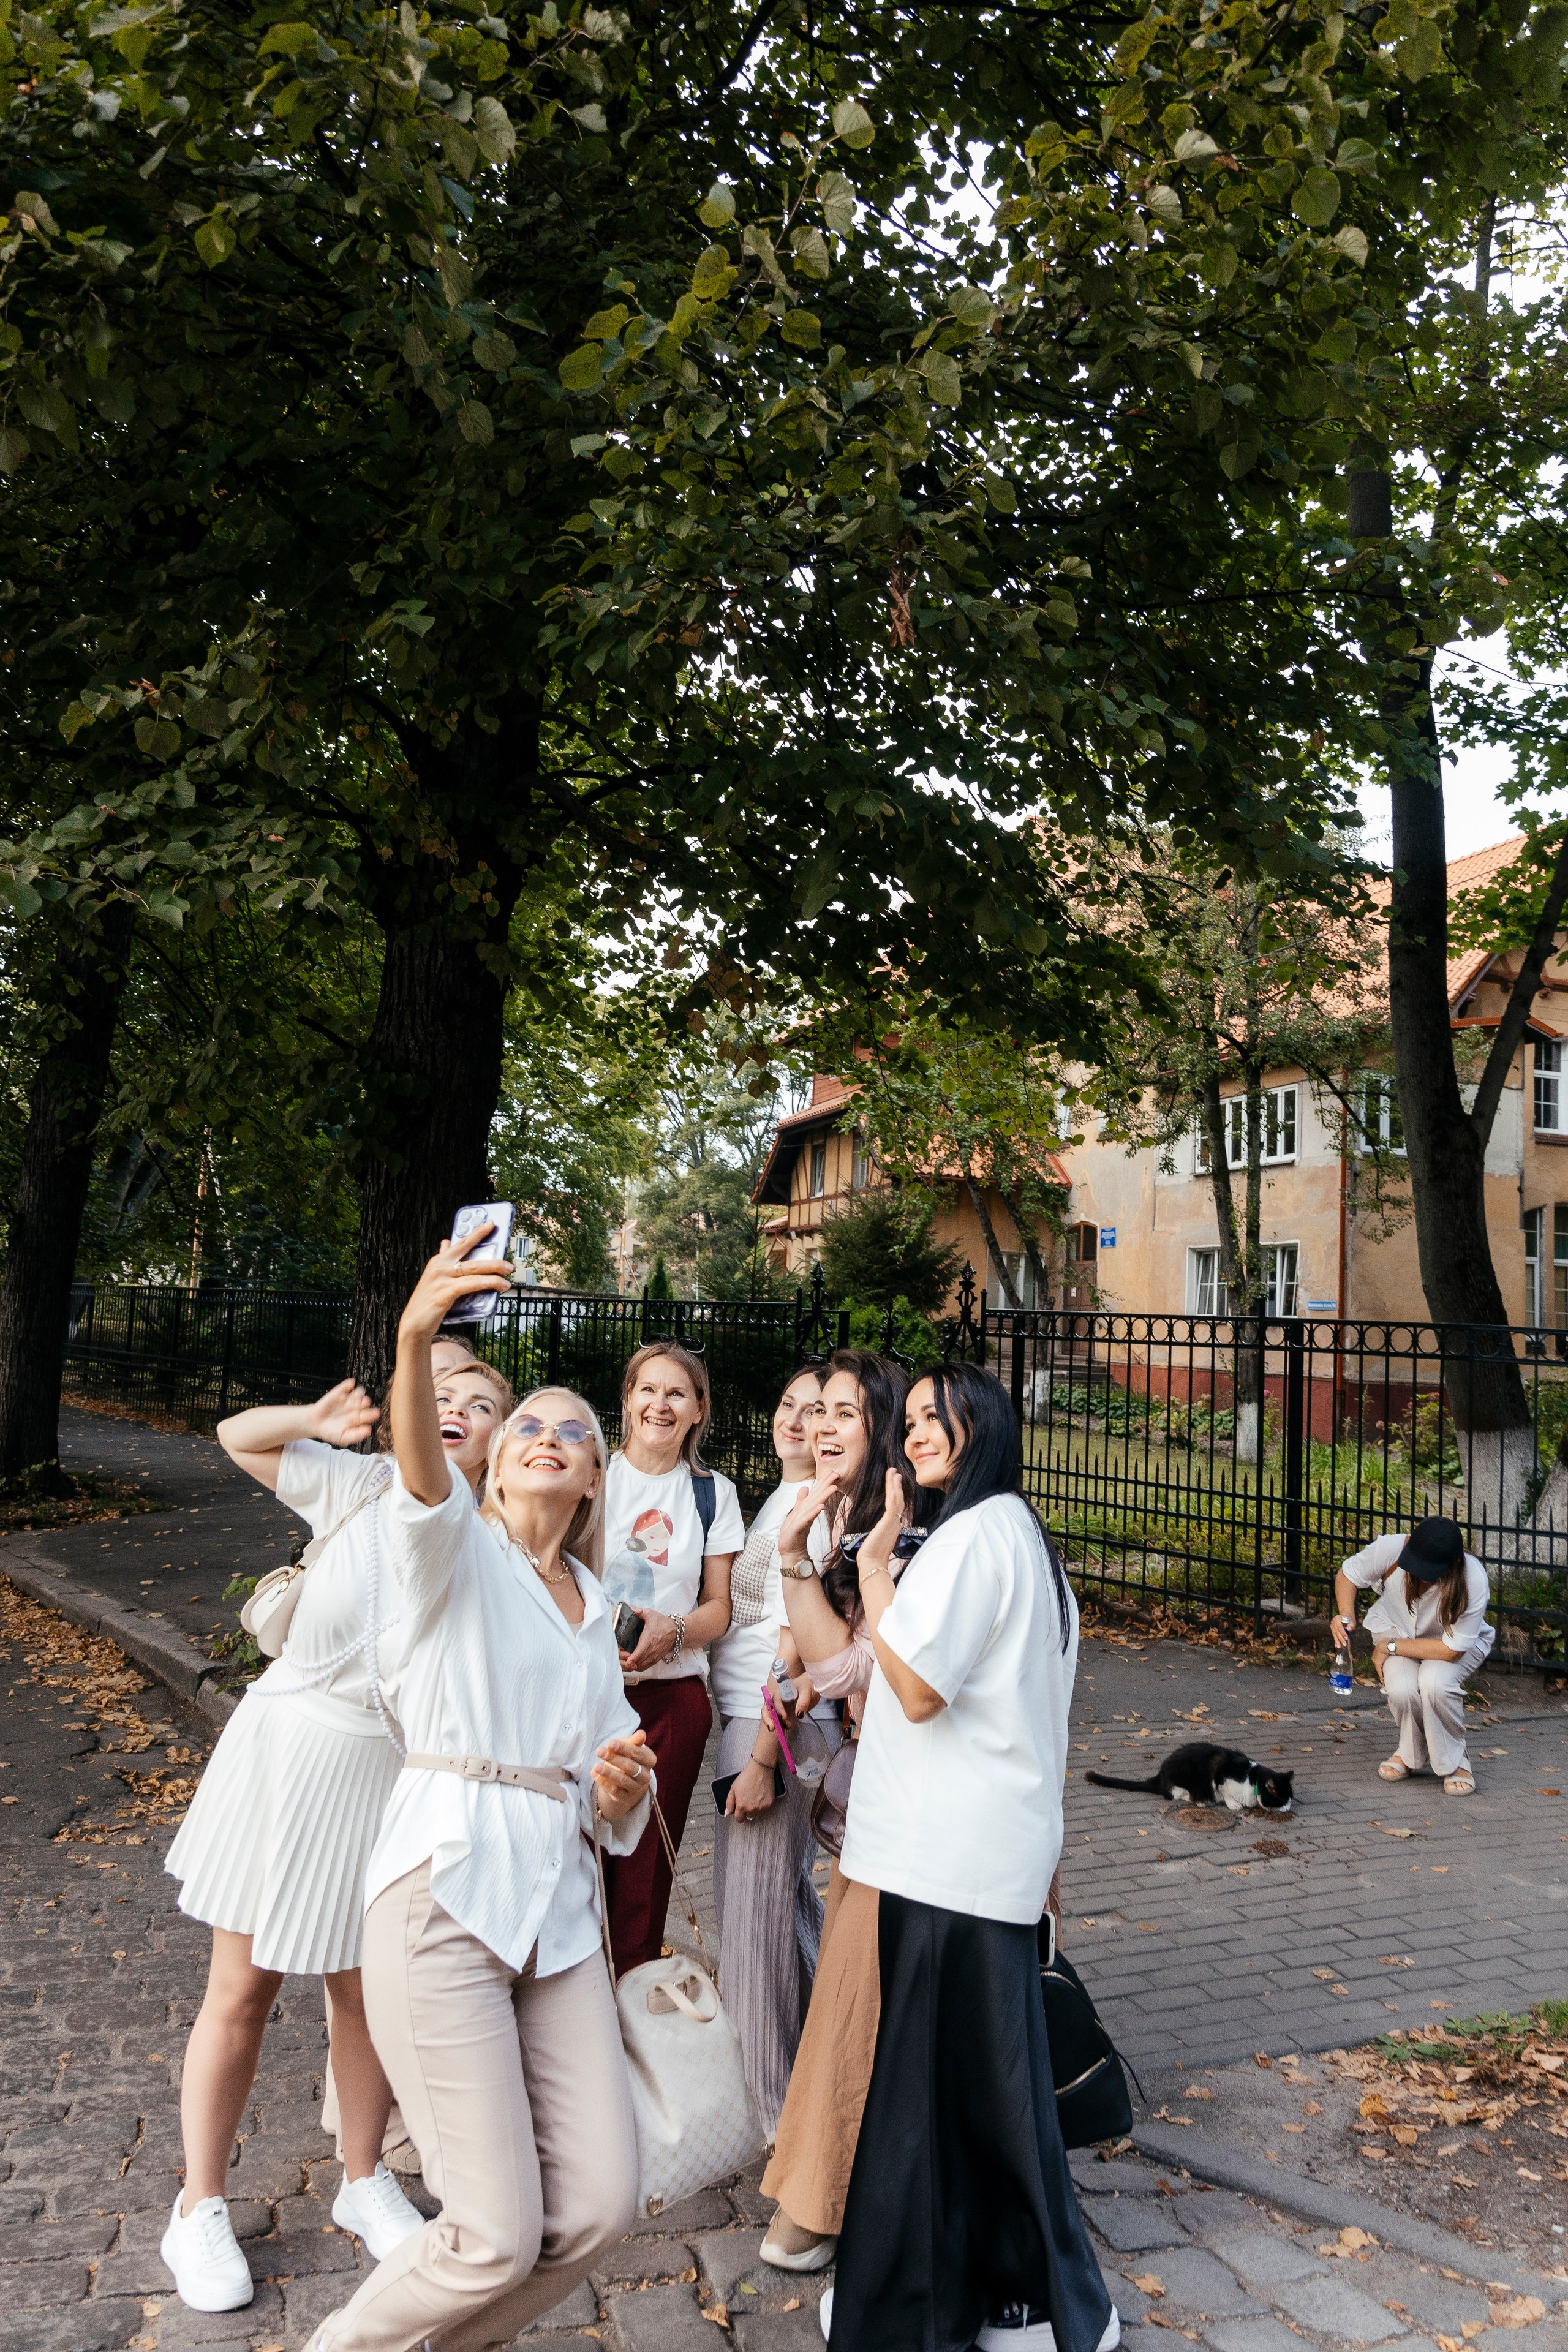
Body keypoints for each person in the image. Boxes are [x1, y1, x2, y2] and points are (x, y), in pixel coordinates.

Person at [306, 1229, 654, 2352]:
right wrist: (416, 1336)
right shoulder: (448, 1546)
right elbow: (416, 1460)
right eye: (530, 1426)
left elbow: (613, 1787)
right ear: (495, 1460)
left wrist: (619, 1786)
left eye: (575, 1432)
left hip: (555, 1917)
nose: (548, 1439)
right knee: (494, 2235)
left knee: (601, 2208)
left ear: (596, 1475)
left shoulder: (599, 1613)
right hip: (444, 1894)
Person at [160, 1351, 510, 2310]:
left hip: (387, 1779)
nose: (458, 1411)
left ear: (497, 1442)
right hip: (286, 1751)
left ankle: (362, 2182)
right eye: (443, 1397)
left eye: (482, 1406)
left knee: (364, 1997)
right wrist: (311, 1414)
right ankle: (198, 2206)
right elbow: (237, 1437)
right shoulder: (359, 1482)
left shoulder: (488, 1539)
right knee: (243, 1989)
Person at [823, 1363, 1117, 2352]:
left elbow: (914, 1690)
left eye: (932, 1417)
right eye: (905, 1421)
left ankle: (928, 2307)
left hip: (944, 1861)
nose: (913, 1434)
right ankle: (1020, 2301)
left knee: (932, 2102)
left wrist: (871, 1570)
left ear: (983, 1420)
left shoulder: (974, 1537)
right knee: (981, 2095)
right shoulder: (1019, 1535)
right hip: (979, 1858)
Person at [759, 1349, 925, 2274]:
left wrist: (798, 1573)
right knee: (865, 1988)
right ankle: (841, 2186)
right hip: (866, 1794)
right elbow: (828, 1671)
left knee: (861, 1991)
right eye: (816, 1409)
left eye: (846, 1414)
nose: (822, 1428)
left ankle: (825, 2198)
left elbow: (855, 1673)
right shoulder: (843, 1524)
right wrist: (797, 1561)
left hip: (917, 1799)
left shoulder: (907, 1535)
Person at [709, 1366, 835, 2138]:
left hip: (772, 1729)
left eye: (818, 1410)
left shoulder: (812, 1510)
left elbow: (795, 1645)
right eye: (789, 1403)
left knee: (750, 1937)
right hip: (756, 1723)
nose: (796, 1419)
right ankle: (834, 2070)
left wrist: (761, 1756)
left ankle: (772, 2118)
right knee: (781, 1910)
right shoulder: (783, 1498)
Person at [600, 1340, 743, 1972]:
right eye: (647, 1390)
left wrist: (674, 1630)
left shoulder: (712, 1494)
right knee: (576, 1856)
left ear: (697, 1410)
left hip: (670, 1706)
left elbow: (719, 1608)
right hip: (587, 1699)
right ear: (628, 1400)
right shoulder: (591, 1476)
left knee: (643, 1873)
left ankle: (629, 2007)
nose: (660, 1404)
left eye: (676, 1393)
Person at [1333, 1517, 1494, 1795]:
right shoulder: (1392, 1547)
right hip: (1397, 1629)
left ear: (1452, 1564)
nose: (1419, 1574)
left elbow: (1451, 1651)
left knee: (1435, 1684)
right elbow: (1348, 1575)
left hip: (1452, 1645)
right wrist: (1345, 1615)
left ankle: (1456, 1760)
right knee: (1402, 1689)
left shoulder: (1473, 1578)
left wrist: (1390, 1647)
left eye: (1428, 1570)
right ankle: (1411, 1755)